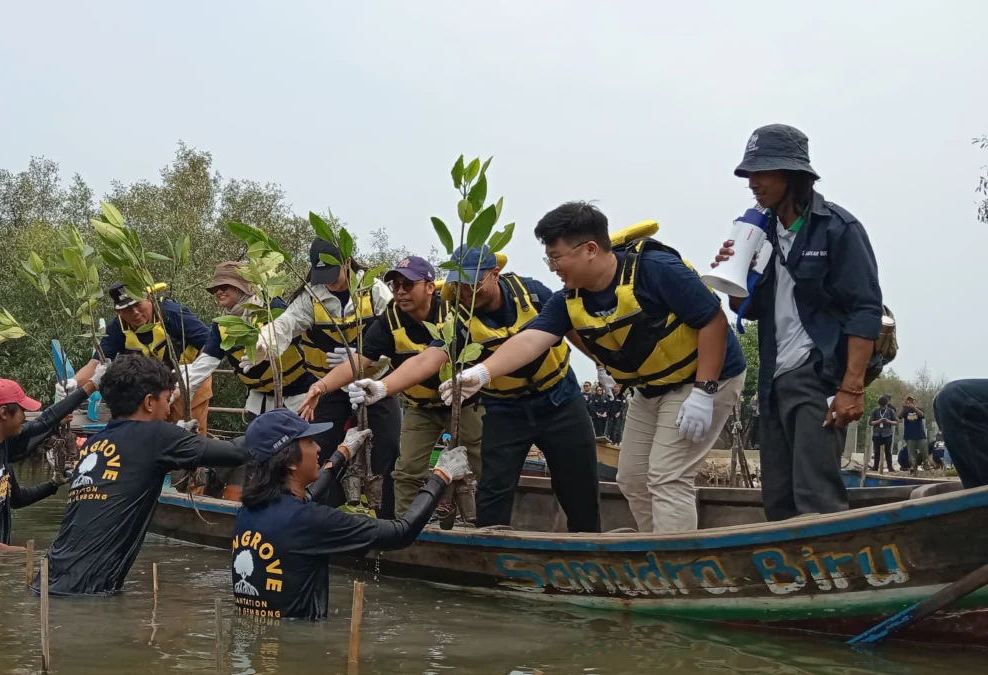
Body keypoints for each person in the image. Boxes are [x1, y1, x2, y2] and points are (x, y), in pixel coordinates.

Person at [456, 202, 746, 533]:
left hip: (706, 378)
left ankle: (676, 568)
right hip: (651, 390)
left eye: (557, 257)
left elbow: (714, 320)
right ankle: (654, 550)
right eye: (548, 258)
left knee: (668, 476)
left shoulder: (656, 269)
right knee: (633, 478)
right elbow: (531, 339)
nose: (553, 268)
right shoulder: (569, 298)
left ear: (590, 249)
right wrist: (480, 373)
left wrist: (704, 391)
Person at [340, 245, 601, 532]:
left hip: (559, 396)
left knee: (578, 482)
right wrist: (382, 386)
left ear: (494, 274)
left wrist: (601, 363)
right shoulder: (455, 314)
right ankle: (486, 557)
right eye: (459, 284)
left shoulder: (532, 293)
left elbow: (571, 326)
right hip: (504, 407)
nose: (465, 292)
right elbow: (429, 357)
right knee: (493, 486)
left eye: (473, 283)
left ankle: (591, 551)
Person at [713, 124, 882, 521]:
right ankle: (788, 579)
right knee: (778, 499)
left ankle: (828, 579)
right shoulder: (760, 231)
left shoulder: (838, 228)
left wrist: (851, 388)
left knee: (816, 495)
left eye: (762, 172)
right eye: (748, 175)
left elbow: (865, 309)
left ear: (791, 175)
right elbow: (748, 308)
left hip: (817, 376)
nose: (752, 183)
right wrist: (734, 270)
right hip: (773, 379)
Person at [230, 407, 469, 620]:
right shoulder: (308, 521)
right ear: (290, 461)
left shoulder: (248, 512)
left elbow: (306, 500)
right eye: (310, 441)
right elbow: (401, 532)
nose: (318, 447)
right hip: (299, 650)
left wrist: (343, 452)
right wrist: (441, 476)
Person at [42, 355, 248, 595]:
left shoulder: (94, 443)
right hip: (84, 593)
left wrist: (177, 436)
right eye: (167, 399)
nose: (169, 408)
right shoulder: (157, 436)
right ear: (149, 402)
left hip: (50, 582)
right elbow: (238, 452)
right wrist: (282, 426)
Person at [299, 256, 484, 518]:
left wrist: (383, 387)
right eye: (395, 285)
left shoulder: (452, 315)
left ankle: (479, 528)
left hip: (464, 404)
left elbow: (427, 362)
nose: (399, 292)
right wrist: (321, 386)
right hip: (420, 407)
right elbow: (359, 360)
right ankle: (404, 529)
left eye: (408, 285)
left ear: (429, 287)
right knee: (406, 471)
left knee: (475, 468)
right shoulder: (390, 319)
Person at [249, 238, 399, 518]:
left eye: (333, 275)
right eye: (322, 278)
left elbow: (397, 331)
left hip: (376, 383)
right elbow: (286, 324)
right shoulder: (311, 296)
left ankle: (387, 516)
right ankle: (325, 514)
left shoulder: (372, 289)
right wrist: (261, 344)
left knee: (387, 446)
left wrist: (364, 362)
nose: (328, 284)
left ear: (347, 262)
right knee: (321, 445)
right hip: (328, 387)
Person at [185, 262, 318, 499]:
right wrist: (176, 391)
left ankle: (299, 502)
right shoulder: (221, 325)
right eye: (216, 289)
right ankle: (258, 501)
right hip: (260, 401)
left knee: (296, 454)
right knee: (259, 455)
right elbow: (203, 366)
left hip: (298, 396)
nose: (220, 292)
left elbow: (306, 337)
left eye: (226, 286)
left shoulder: (273, 309)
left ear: (244, 286)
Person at [0, 371, 102, 551]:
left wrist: (53, 484)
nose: (24, 415)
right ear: (4, 413)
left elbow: (17, 499)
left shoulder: (2, 445)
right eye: (22, 410)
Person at [70, 281, 212, 431]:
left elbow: (210, 345)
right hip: (151, 391)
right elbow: (96, 364)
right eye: (126, 309)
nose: (135, 312)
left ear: (149, 299)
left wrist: (192, 378)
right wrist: (73, 382)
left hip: (188, 383)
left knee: (188, 435)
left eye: (137, 304)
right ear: (118, 312)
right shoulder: (118, 327)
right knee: (148, 435)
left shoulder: (173, 313)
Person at [870, 395, 897, 472]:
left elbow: (896, 422)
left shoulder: (890, 411)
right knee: (877, 451)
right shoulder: (875, 411)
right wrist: (879, 421)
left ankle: (890, 467)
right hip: (877, 434)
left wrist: (888, 421)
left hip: (887, 434)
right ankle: (875, 466)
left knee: (888, 452)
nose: (883, 407)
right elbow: (870, 422)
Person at [900, 396, 928, 473]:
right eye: (909, 401)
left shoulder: (919, 409)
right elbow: (899, 416)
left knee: (924, 451)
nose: (911, 402)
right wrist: (903, 407)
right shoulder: (905, 411)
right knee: (911, 454)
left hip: (920, 435)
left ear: (915, 401)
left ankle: (926, 465)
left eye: (912, 400)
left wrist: (914, 408)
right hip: (909, 435)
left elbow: (921, 415)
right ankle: (913, 467)